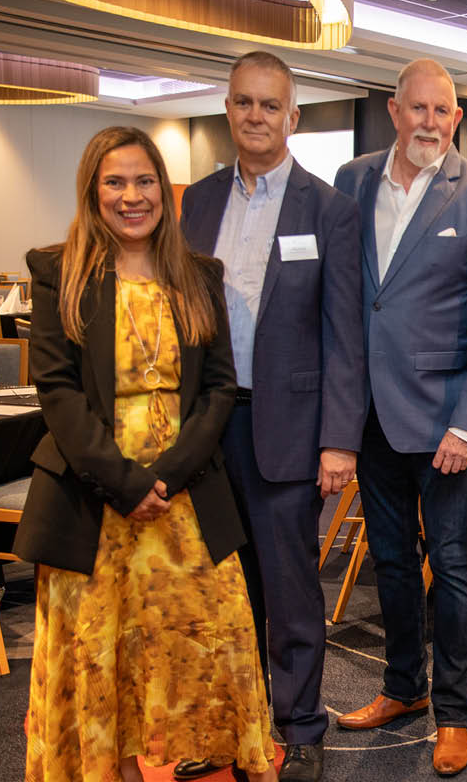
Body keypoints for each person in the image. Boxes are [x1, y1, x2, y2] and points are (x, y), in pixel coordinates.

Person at [13, 126, 275, 782]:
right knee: (100, 653)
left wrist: (169, 475)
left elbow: (219, 387)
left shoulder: (199, 275)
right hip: (90, 495)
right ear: (92, 191)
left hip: (186, 494)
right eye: (115, 182)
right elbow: (59, 392)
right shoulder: (58, 272)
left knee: (218, 636)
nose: (133, 196)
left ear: (164, 188)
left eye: (145, 181)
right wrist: (125, 483)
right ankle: (115, 769)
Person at [178, 51, 365, 782]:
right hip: (206, 430)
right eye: (243, 103)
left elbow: (346, 336)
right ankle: (228, 726)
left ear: (293, 117)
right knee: (219, 592)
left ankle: (300, 724)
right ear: (228, 109)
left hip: (290, 429)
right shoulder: (192, 203)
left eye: (270, 106)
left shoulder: (329, 210)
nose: (255, 117)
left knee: (289, 595)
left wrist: (339, 441)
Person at [332, 58, 467, 776]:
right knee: (390, 563)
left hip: (445, 422)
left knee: (454, 565)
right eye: (419, 110)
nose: (431, 124)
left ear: (456, 119)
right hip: (370, 416)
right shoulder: (351, 182)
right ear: (394, 109)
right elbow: (350, 296)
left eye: (443, 112)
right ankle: (402, 687)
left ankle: (454, 714)